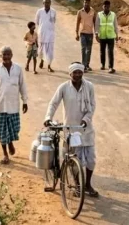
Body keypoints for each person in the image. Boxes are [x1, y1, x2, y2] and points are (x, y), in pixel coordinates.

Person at [44, 62, 99, 197]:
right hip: (71, 130)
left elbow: (92, 106)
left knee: (91, 159)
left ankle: (87, 185)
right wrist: (48, 117)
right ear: (70, 74)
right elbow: (53, 103)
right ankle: (77, 185)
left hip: (86, 129)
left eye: (80, 72)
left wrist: (86, 119)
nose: (78, 75)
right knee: (74, 161)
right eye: (75, 72)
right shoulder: (63, 87)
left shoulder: (89, 87)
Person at [0, 46, 28, 165]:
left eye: (8, 54)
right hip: (1, 104)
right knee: (2, 131)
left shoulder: (18, 69)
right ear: (0, 56)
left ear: (11, 55)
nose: (6, 57)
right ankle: (5, 153)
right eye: (3, 55)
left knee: (15, 129)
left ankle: (10, 142)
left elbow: (22, 85)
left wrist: (25, 101)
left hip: (14, 104)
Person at [95, 0, 119, 74]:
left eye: (108, 7)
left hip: (111, 36)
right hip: (102, 36)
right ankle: (102, 64)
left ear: (109, 7)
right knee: (102, 51)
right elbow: (97, 25)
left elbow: (115, 25)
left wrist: (117, 34)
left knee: (110, 52)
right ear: (103, 6)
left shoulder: (113, 14)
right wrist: (96, 34)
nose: (106, 8)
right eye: (105, 6)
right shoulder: (99, 14)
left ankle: (110, 67)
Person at [35, 0, 57, 73]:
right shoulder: (39, 11)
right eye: (45, 3)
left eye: (48, 3)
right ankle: (42, 61)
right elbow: (37, 22)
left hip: (50, 34)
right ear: (43, 3)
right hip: (42, 33)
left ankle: (49, 66)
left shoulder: (53, 11)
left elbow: (54, 21)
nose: (47, 4)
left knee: (50, 51)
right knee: (41, 49)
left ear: (50, 3)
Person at [76, 0, 96, 72]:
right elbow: (77, 23)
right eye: (85, 2)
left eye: (88, 3)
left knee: (89, 50)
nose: (86, 4)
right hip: (83, 33)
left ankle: (87, 64)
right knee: (83, 48)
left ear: (90, 3)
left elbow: (95, 22)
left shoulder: (93, 11)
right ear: (83, 3)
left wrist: (96, 33)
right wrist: (76, 33)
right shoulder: (80, 12)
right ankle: (83, 65)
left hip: (90, 33)